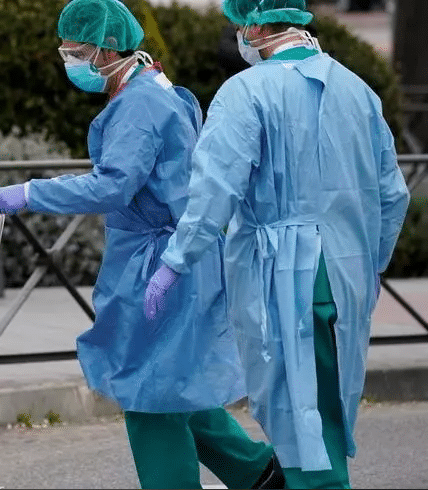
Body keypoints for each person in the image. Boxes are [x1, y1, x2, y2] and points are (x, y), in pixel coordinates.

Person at [0, 0, 282, 487]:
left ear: (105, 50)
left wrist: (31, 192)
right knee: (178, 384)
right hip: (180, 255)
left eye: (76, 51)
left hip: (156, 264)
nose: (71, 61)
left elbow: (112, 186)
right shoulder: (161, 90)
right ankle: (259, 474)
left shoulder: (138, 104)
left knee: (149, 396)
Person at [144, 0, 411, 488]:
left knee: (297, 415)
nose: (240, 35)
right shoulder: (358, 90)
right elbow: (393, 193)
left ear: (260, 25)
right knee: (327, 406)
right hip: (346, 270)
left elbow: (213, 194)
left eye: (242, 25)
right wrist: (372, 265)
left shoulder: (245, 92)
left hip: (284, 274)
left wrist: (175, 262)